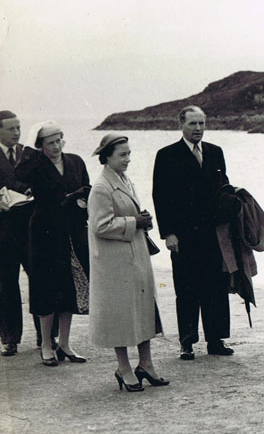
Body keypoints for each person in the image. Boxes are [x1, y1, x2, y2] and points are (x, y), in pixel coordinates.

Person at [88, 134, 168, 392]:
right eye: (122, 154)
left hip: (134, 256)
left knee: (143, 310)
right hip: (115, 262)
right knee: (121, 315)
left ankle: (146, 364)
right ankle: (123, 367)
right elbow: (100, 226)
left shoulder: (124, 180)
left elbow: (124, 214)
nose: (127, 159)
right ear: (107, 156)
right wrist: (135, 222)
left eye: (129, 153)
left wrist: (141, 219)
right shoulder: (101, 187)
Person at [153, 106, 233, 360]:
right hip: (184, 234)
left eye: (201, 123)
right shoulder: (167, 155)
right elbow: (160, 197)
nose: (198, 129)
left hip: (213, 233)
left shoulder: (215, 152)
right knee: (186, 288)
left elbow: (224, 189)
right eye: (193, 124)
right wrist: (168, 233)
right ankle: (187, 342)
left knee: (216, 287)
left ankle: (216, 340)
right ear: (181, 125)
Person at [16, 122, 90, 366]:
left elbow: (87, 189)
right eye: (50, 142)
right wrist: (29, 144)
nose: (56, 146)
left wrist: (83, 204)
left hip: (73, 231)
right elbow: (20, 174)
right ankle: (46, 344)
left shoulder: (76, 161)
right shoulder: (35, 165)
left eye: (59, 140)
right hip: (44, 233)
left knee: (70, 287)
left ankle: (65, 344)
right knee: (45, 287)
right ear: (40, 146)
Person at [0, 111, 55, 355]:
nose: (16, 132)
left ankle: (46, 337)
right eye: (11, 128)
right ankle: (10, 338)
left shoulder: (30, 153)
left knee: (40, 280)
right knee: (6, 284)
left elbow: (45, 182)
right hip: (3, 231)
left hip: (32, 227)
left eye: (19, 127)